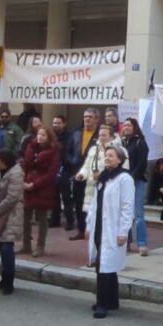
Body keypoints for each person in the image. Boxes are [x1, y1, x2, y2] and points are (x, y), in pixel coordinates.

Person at [91, 144, 135, 318]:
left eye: (111, 155)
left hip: (113, 228)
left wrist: (123, 231)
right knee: (102, 264)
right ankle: (112, 300)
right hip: (100, 226)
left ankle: (102, 303)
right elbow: (95, 203)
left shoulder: (124, 178)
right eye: (106, 155)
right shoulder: (103, 177)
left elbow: (127, 206)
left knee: (106, 266)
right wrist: (89, 225)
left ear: (119, 160)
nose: (107, 158)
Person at [75, 123, 123, 265]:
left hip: (107, 190)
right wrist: (82, 174)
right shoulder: (93, 149)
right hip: (91, 189)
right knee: (92, 223)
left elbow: (119, 170)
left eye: (104, 135)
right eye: (100, 135)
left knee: (105, 227)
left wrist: (101, 176)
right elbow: (87, 166)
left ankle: (105, 257)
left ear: (111, 137)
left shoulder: (117, 151)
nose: (101, 137)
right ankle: (93, 257)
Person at [0, 148, 25, 295]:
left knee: (7, 246)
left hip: (11, 214)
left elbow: (12, 197)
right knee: (0, 245)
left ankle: (9, 281)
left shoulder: (16, 173)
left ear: (4, 160)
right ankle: (3, 279)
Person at [21, 122, 59, 256]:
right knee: (25, 216)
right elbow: (26, 166)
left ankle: (40, 245)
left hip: (43, 187)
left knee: (42, 218)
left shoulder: (53, 151)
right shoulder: (30, 147)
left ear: (49, 137)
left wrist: (35, 184)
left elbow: (51, 173)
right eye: (39, 134)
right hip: (28, 184)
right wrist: (25, 181)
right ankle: (26, 244)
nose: (40, 137)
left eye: (43, 135)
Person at [67, 108, 101, 241]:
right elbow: (67, 152)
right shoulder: (76, 134)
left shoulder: (100, 135)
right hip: (78, 174)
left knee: (93, 203)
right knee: (78, 202)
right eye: (85, 116)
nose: (87, 119)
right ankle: (81, 229)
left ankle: (93, 229)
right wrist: (73, 161)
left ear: (96, 119)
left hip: (93, 176)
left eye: (90, 117)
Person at [119, 117, 150, 255]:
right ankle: (126, 241)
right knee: (125, 213)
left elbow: (142, 164)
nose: (126, 128)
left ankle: (142, 243)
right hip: (123, 181)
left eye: (129, 125)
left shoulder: (140, 142)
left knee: (138, 214)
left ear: (135, 127)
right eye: (124, 125)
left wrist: (131, 178)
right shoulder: (121, 143)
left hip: (137, 181)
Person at [51, 114, 77, 230]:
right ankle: (55, 219)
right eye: (54, 123)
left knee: (66, 196)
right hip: (53, 168)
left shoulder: (70, 136)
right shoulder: (51, 136)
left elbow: (71, 152)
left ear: (64, 124)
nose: (56, 125)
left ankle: (70, 220)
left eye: (58, 123)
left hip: (65, 169)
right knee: (54, 195)